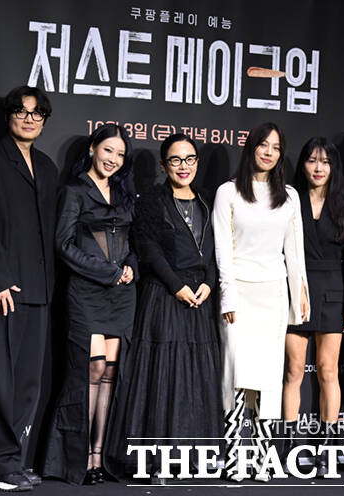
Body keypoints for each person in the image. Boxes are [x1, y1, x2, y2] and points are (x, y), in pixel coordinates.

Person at [104, 133, 222, 483]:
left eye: (189, 159)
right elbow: (149, 248)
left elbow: (216, 250)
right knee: (163, 377)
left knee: (195, 378)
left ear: (197, 162)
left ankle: (193, 458)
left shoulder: (207, 200)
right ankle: (156, 461)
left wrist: (208, 283)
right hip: (164, 296)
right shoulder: (152, 200)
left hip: (200, 298)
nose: (183, 166)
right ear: (163, 165)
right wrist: (177, 286)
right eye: (175, 160)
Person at [0, 85, 58, 491]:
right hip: (1, 291)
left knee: (27, 384)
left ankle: (11, 459)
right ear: (8, 117)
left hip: (38, 291)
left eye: (37, 113)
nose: (29, 118)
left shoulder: (48, 167)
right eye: (22, 111)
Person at [213, 122, 310, 482]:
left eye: (276, 147)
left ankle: (264, 458)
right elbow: (223, 248)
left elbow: (294, 251)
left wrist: (299, 296)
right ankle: (233, 457)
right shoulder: (228, 192)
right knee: (236, 375)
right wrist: (227, 295)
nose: (269, 152)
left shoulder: (290, 196)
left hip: (273, 295)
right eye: (263, 145)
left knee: (267, 379)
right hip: (238, 293)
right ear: (251, 148)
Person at [43, 123, 138, 485]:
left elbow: (133, 244)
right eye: (108, 150)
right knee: (92, 368)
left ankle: (99, 457)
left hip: (121, 296)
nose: (113, 159)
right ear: (92, 149)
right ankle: (78, 458)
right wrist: (109, 272)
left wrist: (130, 267)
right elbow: (64, 245)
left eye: (120, 154)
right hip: (86, 291)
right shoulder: (74, 192)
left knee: (111, 372)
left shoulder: (124, 194)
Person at [282, 137, 344, 476]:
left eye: (325, 162)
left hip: (333, 293)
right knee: (293, 371)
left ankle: (328, 450)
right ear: (302, 164)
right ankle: (289, 449)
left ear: (334, 167)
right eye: (312, 160)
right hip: (294, 291)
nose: (318, 168)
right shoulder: (288, 200)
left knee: (329, 371)